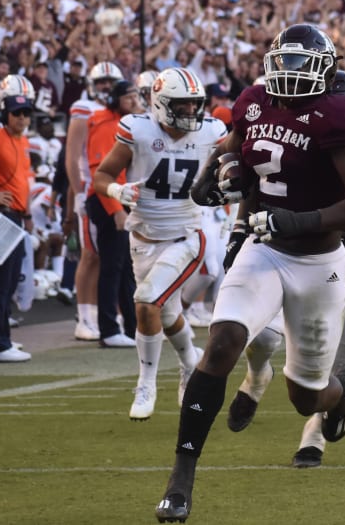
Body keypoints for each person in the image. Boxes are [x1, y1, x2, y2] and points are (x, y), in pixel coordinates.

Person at [155, 24, 345, 523]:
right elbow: (232, 149)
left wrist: (299, 220)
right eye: (284, 62)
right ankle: (180, 479)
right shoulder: (255, 99)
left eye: (301, 64)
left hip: (320, 264)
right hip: (265, 249)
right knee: (221, 344)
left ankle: (341, 390)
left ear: (325, 69)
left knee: (306, 399)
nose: (289, 73)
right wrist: (211, 179)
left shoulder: (339, 112)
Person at [224, 70, 345, 468]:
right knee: (260, 338)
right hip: (286, 258)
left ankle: (313, 437)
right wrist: (240, 230)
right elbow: (256, 187)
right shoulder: (290, 142)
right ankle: (256, 379)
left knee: (341, 361)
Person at [93, 67, 226, 420]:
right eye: (183, 106)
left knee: (146, 302)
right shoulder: (138, 130)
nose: (191, 113)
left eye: (195, 105)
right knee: (166, 314)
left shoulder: (211, 132)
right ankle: (190, 363)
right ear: (162, 103)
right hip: (143, 238)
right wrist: (118, 190)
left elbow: (231, 171)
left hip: (186, 235)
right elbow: (101, 176)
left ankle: (146, 383)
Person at [64, 61, 123, 342]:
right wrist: (77, 193)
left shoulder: (120, 113)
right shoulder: (84, 107)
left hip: (115, 189)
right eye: (101, 82)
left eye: (111, 82)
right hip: (93, 190)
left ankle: (101, 314)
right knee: (91, 254)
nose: (106, 87)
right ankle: (85, 317)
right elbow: (73, 156)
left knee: (110, 257)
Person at [86, 80, 143, 348]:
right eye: (128, 96)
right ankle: (108, 328)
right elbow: (99, 172)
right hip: (107, 200)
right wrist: (116, 209)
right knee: (112, 266)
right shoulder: (105, 124)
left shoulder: (124, 123)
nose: (134, 101)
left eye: (135, 96)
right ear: (115, 99)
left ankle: (132, 327)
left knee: (124, 269)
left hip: (121, 199)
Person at [0, 92, 34, 362]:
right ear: (5, 114)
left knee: (10, 280)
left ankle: (1, 338)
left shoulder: (23, 141)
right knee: (0, 283)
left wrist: (27, 214)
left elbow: (23, 181)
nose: (23, 118)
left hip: (15, 216)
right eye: (17, 113)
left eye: (26, 113)